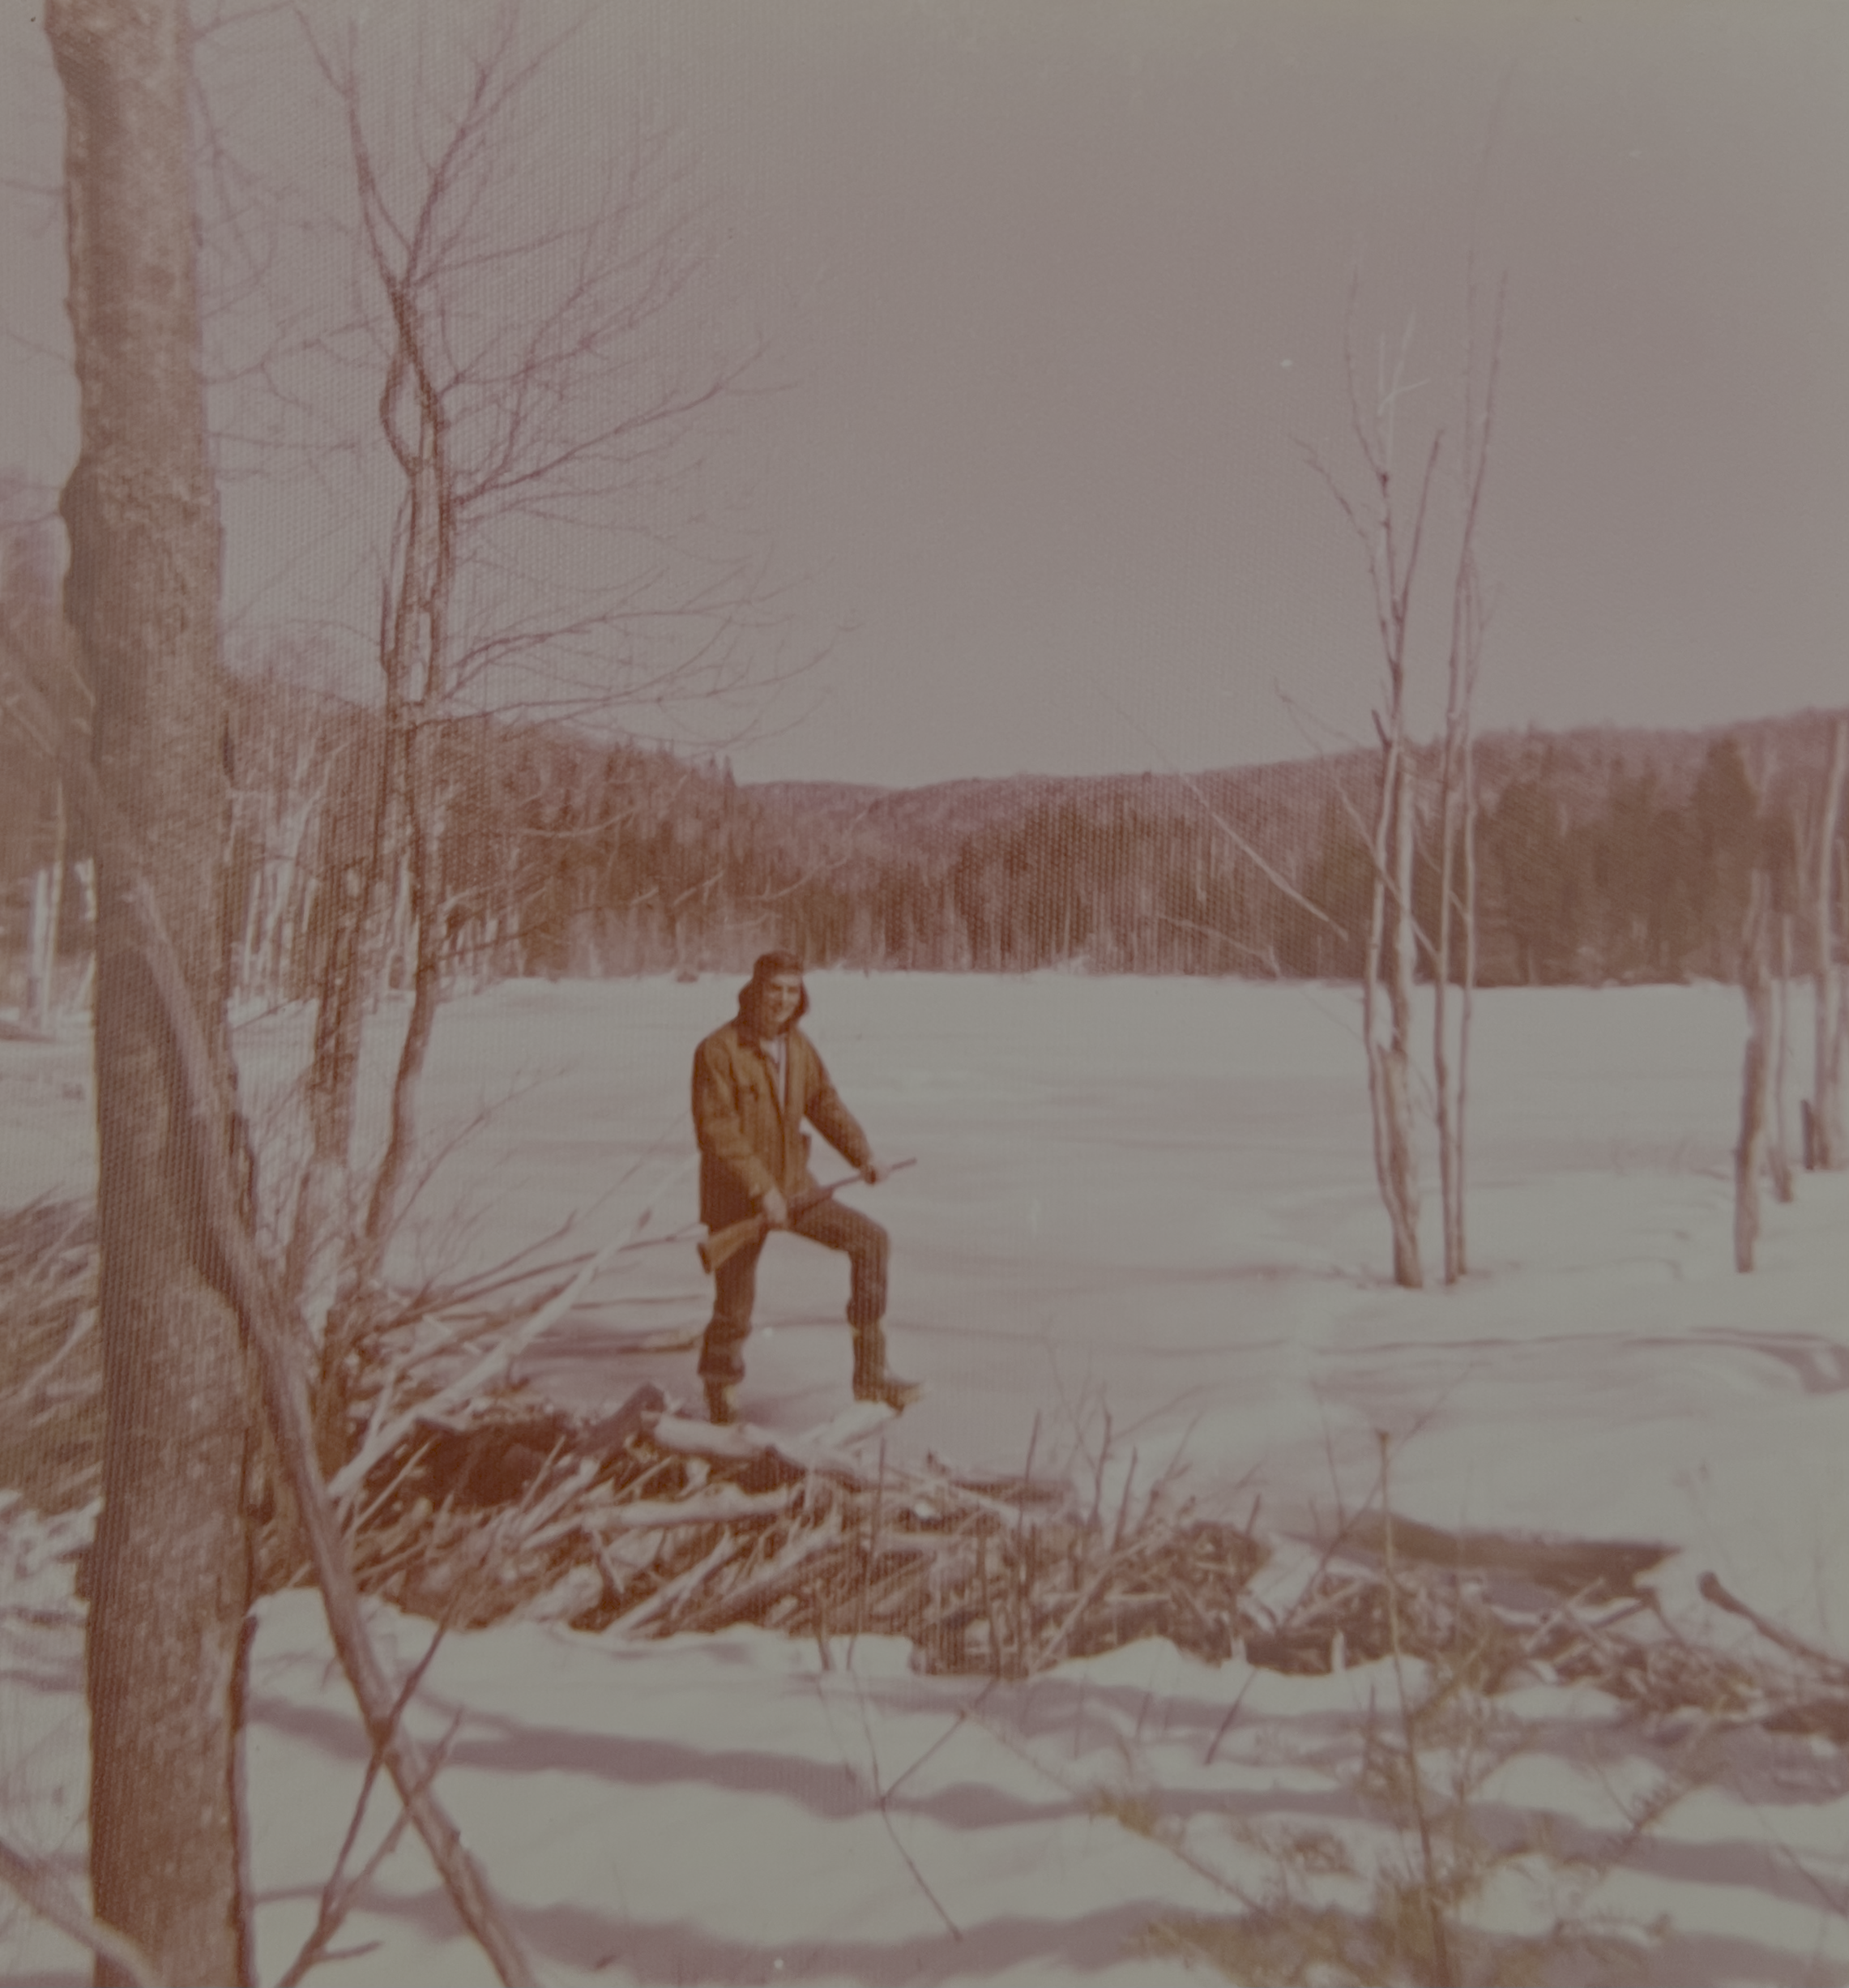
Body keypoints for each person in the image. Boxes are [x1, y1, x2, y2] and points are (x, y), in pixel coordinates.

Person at [690, 951, 920, 1425]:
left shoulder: (799, 1048)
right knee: (734, 1307)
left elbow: (825, 1105)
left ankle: (872, 1372)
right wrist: (760, 1190)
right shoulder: (718, 1050)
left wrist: (864, 1156)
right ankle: (721, 1399)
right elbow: (718, 1134)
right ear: (754, 990)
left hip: (796, 1190)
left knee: (871, 1242)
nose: (782, 1000)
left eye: (792, 990)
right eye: (774, 988)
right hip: (737, 1202)